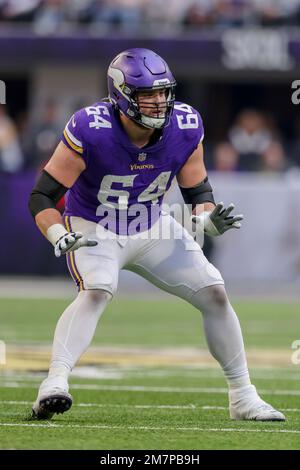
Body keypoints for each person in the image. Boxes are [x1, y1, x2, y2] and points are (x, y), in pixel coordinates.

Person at [28, 48, 285, 421]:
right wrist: (56, 233)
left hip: (151, 224)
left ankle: (243, 396)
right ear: (122, 96)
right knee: (97, 289)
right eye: (148, 93)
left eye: (163, 92)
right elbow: (43, 196)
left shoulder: (185, 124)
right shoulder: (91, 128)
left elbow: (198, 194)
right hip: (94, 226)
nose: (159, 101)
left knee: (214, 292)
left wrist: (207, 220)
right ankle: (54, 382)